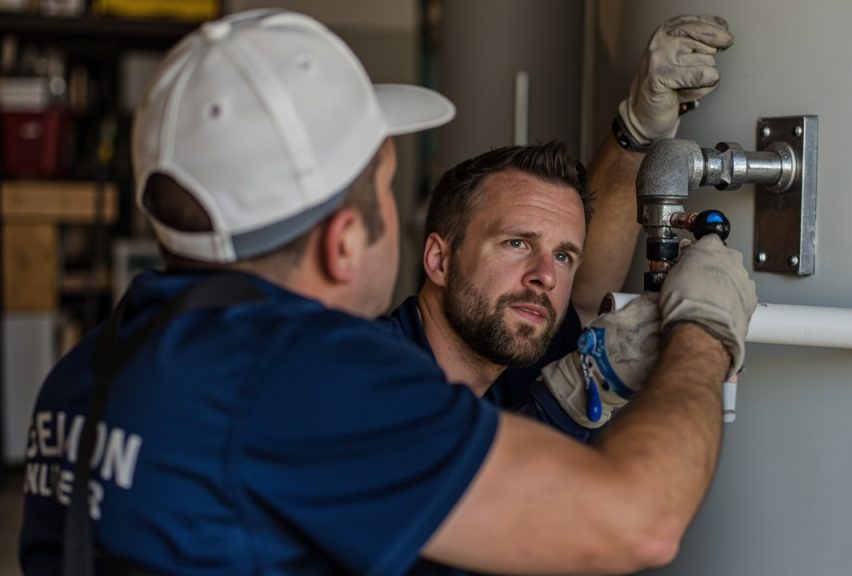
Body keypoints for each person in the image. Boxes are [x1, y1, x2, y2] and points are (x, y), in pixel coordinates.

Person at [20, 9, 756, 576]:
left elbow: (575, 282)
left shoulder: (101, 360)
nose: (543, 273)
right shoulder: (310, 384)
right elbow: (637, 522)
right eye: (384, 183)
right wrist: (706, 332)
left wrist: (631, 139)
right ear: (345, 242)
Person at [387, 15, 736, 438]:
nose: (546, 276)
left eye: (563, 255)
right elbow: (456, 493)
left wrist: (638, 133)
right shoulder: (366, 380)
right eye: (517, 242)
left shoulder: (509, 347)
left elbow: (587, 296)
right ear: (439, 259)